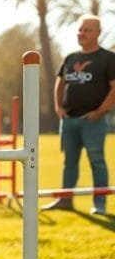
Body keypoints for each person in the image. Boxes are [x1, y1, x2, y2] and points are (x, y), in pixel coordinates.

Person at [42, 15, 115, 215]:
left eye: (87, 30)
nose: (81, 33)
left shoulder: (108, 58)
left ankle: (99, 204)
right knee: (69, 162)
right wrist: (59, 108)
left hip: (93, 121)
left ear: (98, 33)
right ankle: (65, 200)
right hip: (69, 120)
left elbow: (114, 88)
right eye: (80, 29)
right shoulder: (71, 58)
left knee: (97, 161)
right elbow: (60, 83)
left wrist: (100, 112)